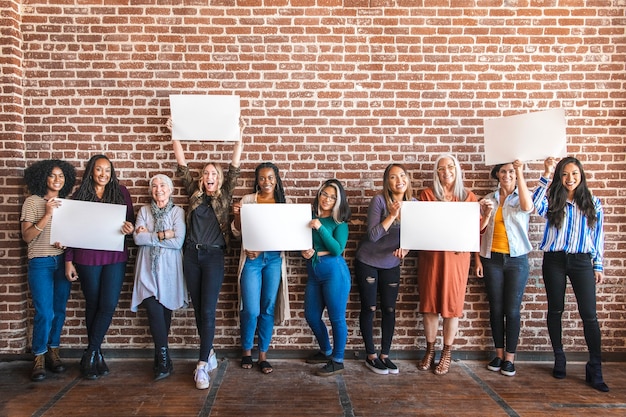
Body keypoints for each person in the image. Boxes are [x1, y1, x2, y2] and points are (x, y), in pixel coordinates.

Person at [171, 119, 244, 390]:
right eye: (206, 174)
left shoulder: (225, 196)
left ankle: (202, 364)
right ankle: (209, 353)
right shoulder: (194, 193)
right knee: (198, 310)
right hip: (191, 255)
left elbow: (235, 166)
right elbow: (182, 165)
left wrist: (240, 135)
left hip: (214, 257)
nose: (209, 177)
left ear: (219, 178)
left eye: (213, 173)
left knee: (208, 309)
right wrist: (174, 133)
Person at [532, 156, 609, 392]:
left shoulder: (593, 203)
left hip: (582, 260)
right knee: (555, 309)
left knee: (589, 315)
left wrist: (598, 265)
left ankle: (595, 367)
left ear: (581, 175)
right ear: (559, 177)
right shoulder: (553, 201)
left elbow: (598, 236)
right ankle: (559, 357)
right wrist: (546, 172)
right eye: (564, 174)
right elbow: (535, 203)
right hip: (554, 260)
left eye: (574, 174)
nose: (570, 178)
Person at [416, 154, 490, 376]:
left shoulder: (468, 197)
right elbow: (421, 226)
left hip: (457, 258)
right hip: (431, 256)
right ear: (436, 173)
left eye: (450, 167)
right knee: (429, 305)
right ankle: (430, 350)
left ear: (457, 170)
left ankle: (446, 352)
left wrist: (485, 215)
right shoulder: (427, 195)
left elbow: (477, 230)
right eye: (441, 168)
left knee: (451, 306)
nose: (446, 171)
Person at [65, 155, 135, 380]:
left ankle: (89, 352)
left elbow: (131, 224)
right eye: (98, 170)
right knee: (93, 305)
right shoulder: (81, 195)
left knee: (108, 304)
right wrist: (68, 260)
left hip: (115, 256)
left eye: (107, 170)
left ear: (112, 172)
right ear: (91, 172)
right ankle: (96, 354)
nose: (103, 174)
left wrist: (129, 228)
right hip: (87, 258)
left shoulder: (121, 193)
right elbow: (70, 230)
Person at [231, 162, 291, 375]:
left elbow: (287, 237)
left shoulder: (285, 203)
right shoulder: (248, 201)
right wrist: (237, 214)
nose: (267, 182)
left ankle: (263, 355)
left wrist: (262, 246)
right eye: (263, 178)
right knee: (251, 309)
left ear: (277, 179)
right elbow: (237, 233)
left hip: (274, 260)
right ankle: (246, 351)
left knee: (268, 307)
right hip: (251, 261)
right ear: (257, 180)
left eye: (271, 177)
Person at [354, 163, 414, 375]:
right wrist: (391, 215)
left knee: (389, 309)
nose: (399, 180)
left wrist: (406, 248)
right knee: (369, 308)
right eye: (393, 177)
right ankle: (370, 355)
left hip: (391, 263)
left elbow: (419, 234)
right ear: (387, 182)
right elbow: (373, 236)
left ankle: (385, 355)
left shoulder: (414, 204)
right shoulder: (379, 201)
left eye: (402, 175)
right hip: (368, 261)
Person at [475, 160, 533, 377]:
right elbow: (478, 230)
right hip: (492, 259)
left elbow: (528, 208)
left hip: (517, 260)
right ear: (497, 174)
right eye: (503, 171)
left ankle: (510, 358)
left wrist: (520, 171)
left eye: (511, 171)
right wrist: (479, 260)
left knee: (513, 310)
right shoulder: (488, 199)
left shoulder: (522, 196)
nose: (507, 175)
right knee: (496, 309)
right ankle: (498, 354)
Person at [21, 159, 77, 381]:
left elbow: (70, 234)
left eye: (61, 176)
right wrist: (47, 214)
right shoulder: (32, 202)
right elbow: (27, 237)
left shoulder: (67, 203)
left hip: (61, 260)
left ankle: (54, 351)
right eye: (53, 175)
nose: (57, 180)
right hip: (40, 262)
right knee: (45, 312)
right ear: (43, 177)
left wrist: (65, 244)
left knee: (59, 310)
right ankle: (39, 356)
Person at [131, 174, 187, 381]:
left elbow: (178, 242)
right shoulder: (144, 211)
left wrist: (150, 237)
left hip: (170, 270)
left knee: (164, 312)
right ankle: (163, 358)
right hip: (146, 268)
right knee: (154, 311)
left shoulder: (177, 212)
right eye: (154, 186)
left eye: (162, 185)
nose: (158, 189)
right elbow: (138, 238)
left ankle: (161, 356)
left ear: (170, 189)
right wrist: (164, 235)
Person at [302, 179, 352, 377]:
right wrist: (305, 252)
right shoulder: (308, 217)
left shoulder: (339, 223)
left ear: (337, 201)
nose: (327, 199)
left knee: (336, 318)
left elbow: (337, 249)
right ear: (319, 194)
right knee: (311, 315)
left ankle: (338, 360)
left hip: (335, 274)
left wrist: (320, 227)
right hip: (314, 274)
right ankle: (326, 351)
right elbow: (303, 243)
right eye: (325, 194)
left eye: (333, 197)